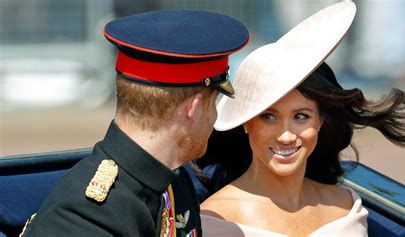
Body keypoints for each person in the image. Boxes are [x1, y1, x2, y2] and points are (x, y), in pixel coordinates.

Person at [194, 2, 405, 236]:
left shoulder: (347, 207)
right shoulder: (214, 220)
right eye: (268, 117)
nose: (286, 135)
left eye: (301, 116)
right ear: (245, 122)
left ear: (321, 121)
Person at [21, 10, 249, 236]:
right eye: (214, 103)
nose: (215, 117)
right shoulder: (87, 217)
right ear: (194, 108)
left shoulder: (170, 181)